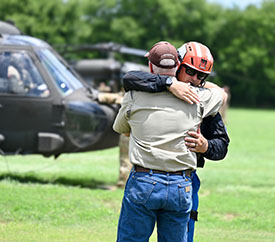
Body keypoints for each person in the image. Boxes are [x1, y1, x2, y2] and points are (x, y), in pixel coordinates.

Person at [113, 41, 226, 242]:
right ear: (177, 65)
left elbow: (222, 145)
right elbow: (131, 78)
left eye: (202, 76)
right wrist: (170, 83)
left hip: (173, 180)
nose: (195, 80)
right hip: (181, 186)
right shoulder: (202, 98)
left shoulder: (138, 95)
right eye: (190, 72)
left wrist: (205, 146)